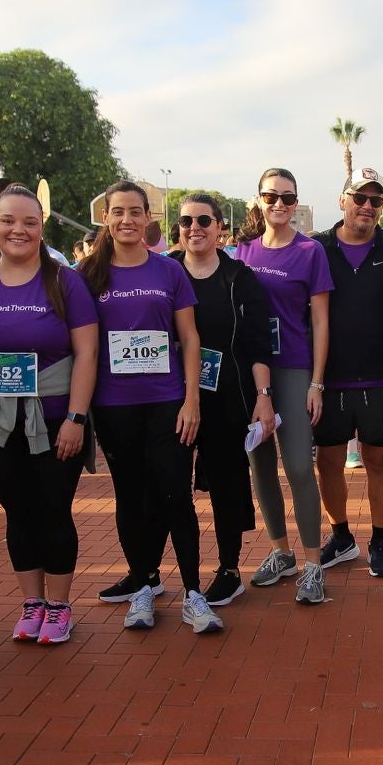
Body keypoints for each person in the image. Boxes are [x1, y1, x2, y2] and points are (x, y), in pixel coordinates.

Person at [0, 185, 97, 642]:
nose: (18, 230)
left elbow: (87, 353)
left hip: (56, 417)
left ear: (42, 228)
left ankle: (59, 606)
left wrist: (77, 418)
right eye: (8, 221)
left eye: (29, 222)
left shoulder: (65, 281)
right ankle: (32, 602)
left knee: (53, 509)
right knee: (16, 510)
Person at [81, 182, 213, 633]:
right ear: (106, 218)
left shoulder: (168, 271)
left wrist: (191, 398)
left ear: (148, 217)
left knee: (176, 494)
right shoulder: (88, 274)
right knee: (132, 499)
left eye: (135, 212)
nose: (127, 220)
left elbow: (191, 338)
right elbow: (81, 345)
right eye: (118, 212)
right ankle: (142, 587)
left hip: (167, 402)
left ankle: (195, 594)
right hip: (115, 405)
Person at [175, 190, 275, 607]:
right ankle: (151, 574)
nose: (194, 228)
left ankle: (230, 569)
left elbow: (257, 346)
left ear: (220, 228)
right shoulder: (165, 274)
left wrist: (264, 396)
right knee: (169, 486)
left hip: (227, 399)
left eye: (203, 221)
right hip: (173, 399)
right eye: (186, 222)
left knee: (226, 487)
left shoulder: (239, 278)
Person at [237, 168, 333, 604]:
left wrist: (316, 382)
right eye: (271, 196)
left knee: (297, 466)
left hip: (293, 368)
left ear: (297, 202)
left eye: (287, 197)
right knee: (259, 465)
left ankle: (313, 565)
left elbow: (320, 320)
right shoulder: (242, 253)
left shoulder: (310, 252)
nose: (279, 204)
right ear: (258, 199)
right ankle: (281, 553)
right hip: (249, 373)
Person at [313, 168, 383, 578]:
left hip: (382, 378)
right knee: (329, 463)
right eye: (359, 198)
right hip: (329, 380)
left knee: (378, 461)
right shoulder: (316, 248)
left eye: (376, 201)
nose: (367, 207)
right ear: (342, 200)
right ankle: (342, 535)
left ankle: (380, 540)